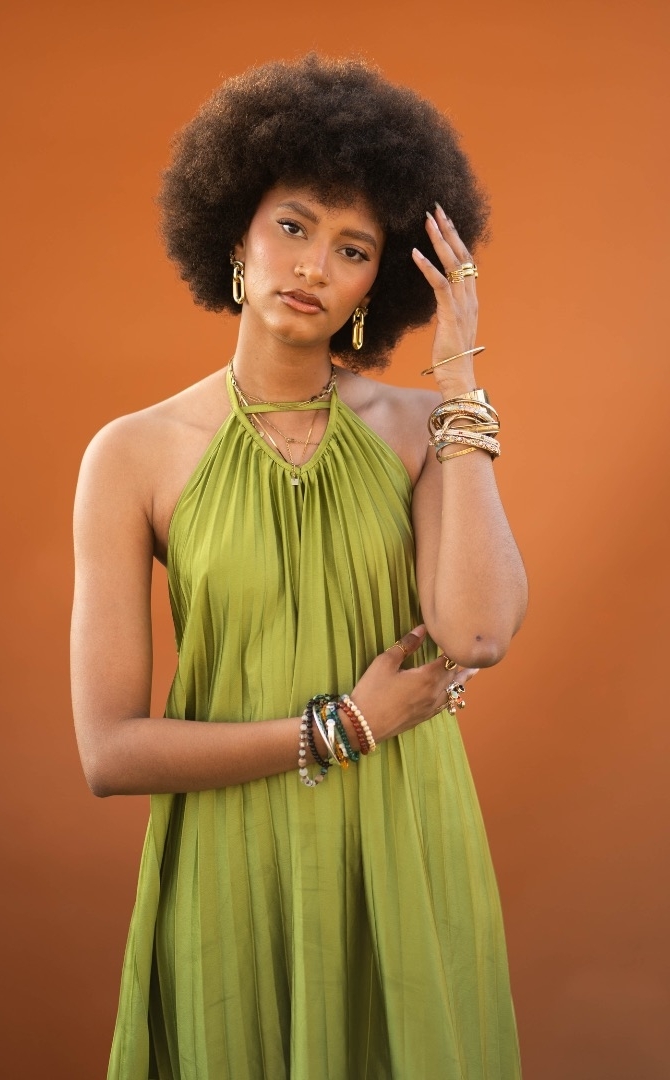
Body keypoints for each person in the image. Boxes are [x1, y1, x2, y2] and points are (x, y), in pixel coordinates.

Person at [71, 53, 528, 1080]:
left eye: (352, 248)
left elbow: (479, 631)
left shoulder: (419, 428)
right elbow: (109, 751)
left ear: (381, 280)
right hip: (232, 861)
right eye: (292, 225)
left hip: (402, 848)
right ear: (235, 231)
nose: (314, 265)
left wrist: (458, 379)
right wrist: (343, 726)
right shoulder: (133, 454)